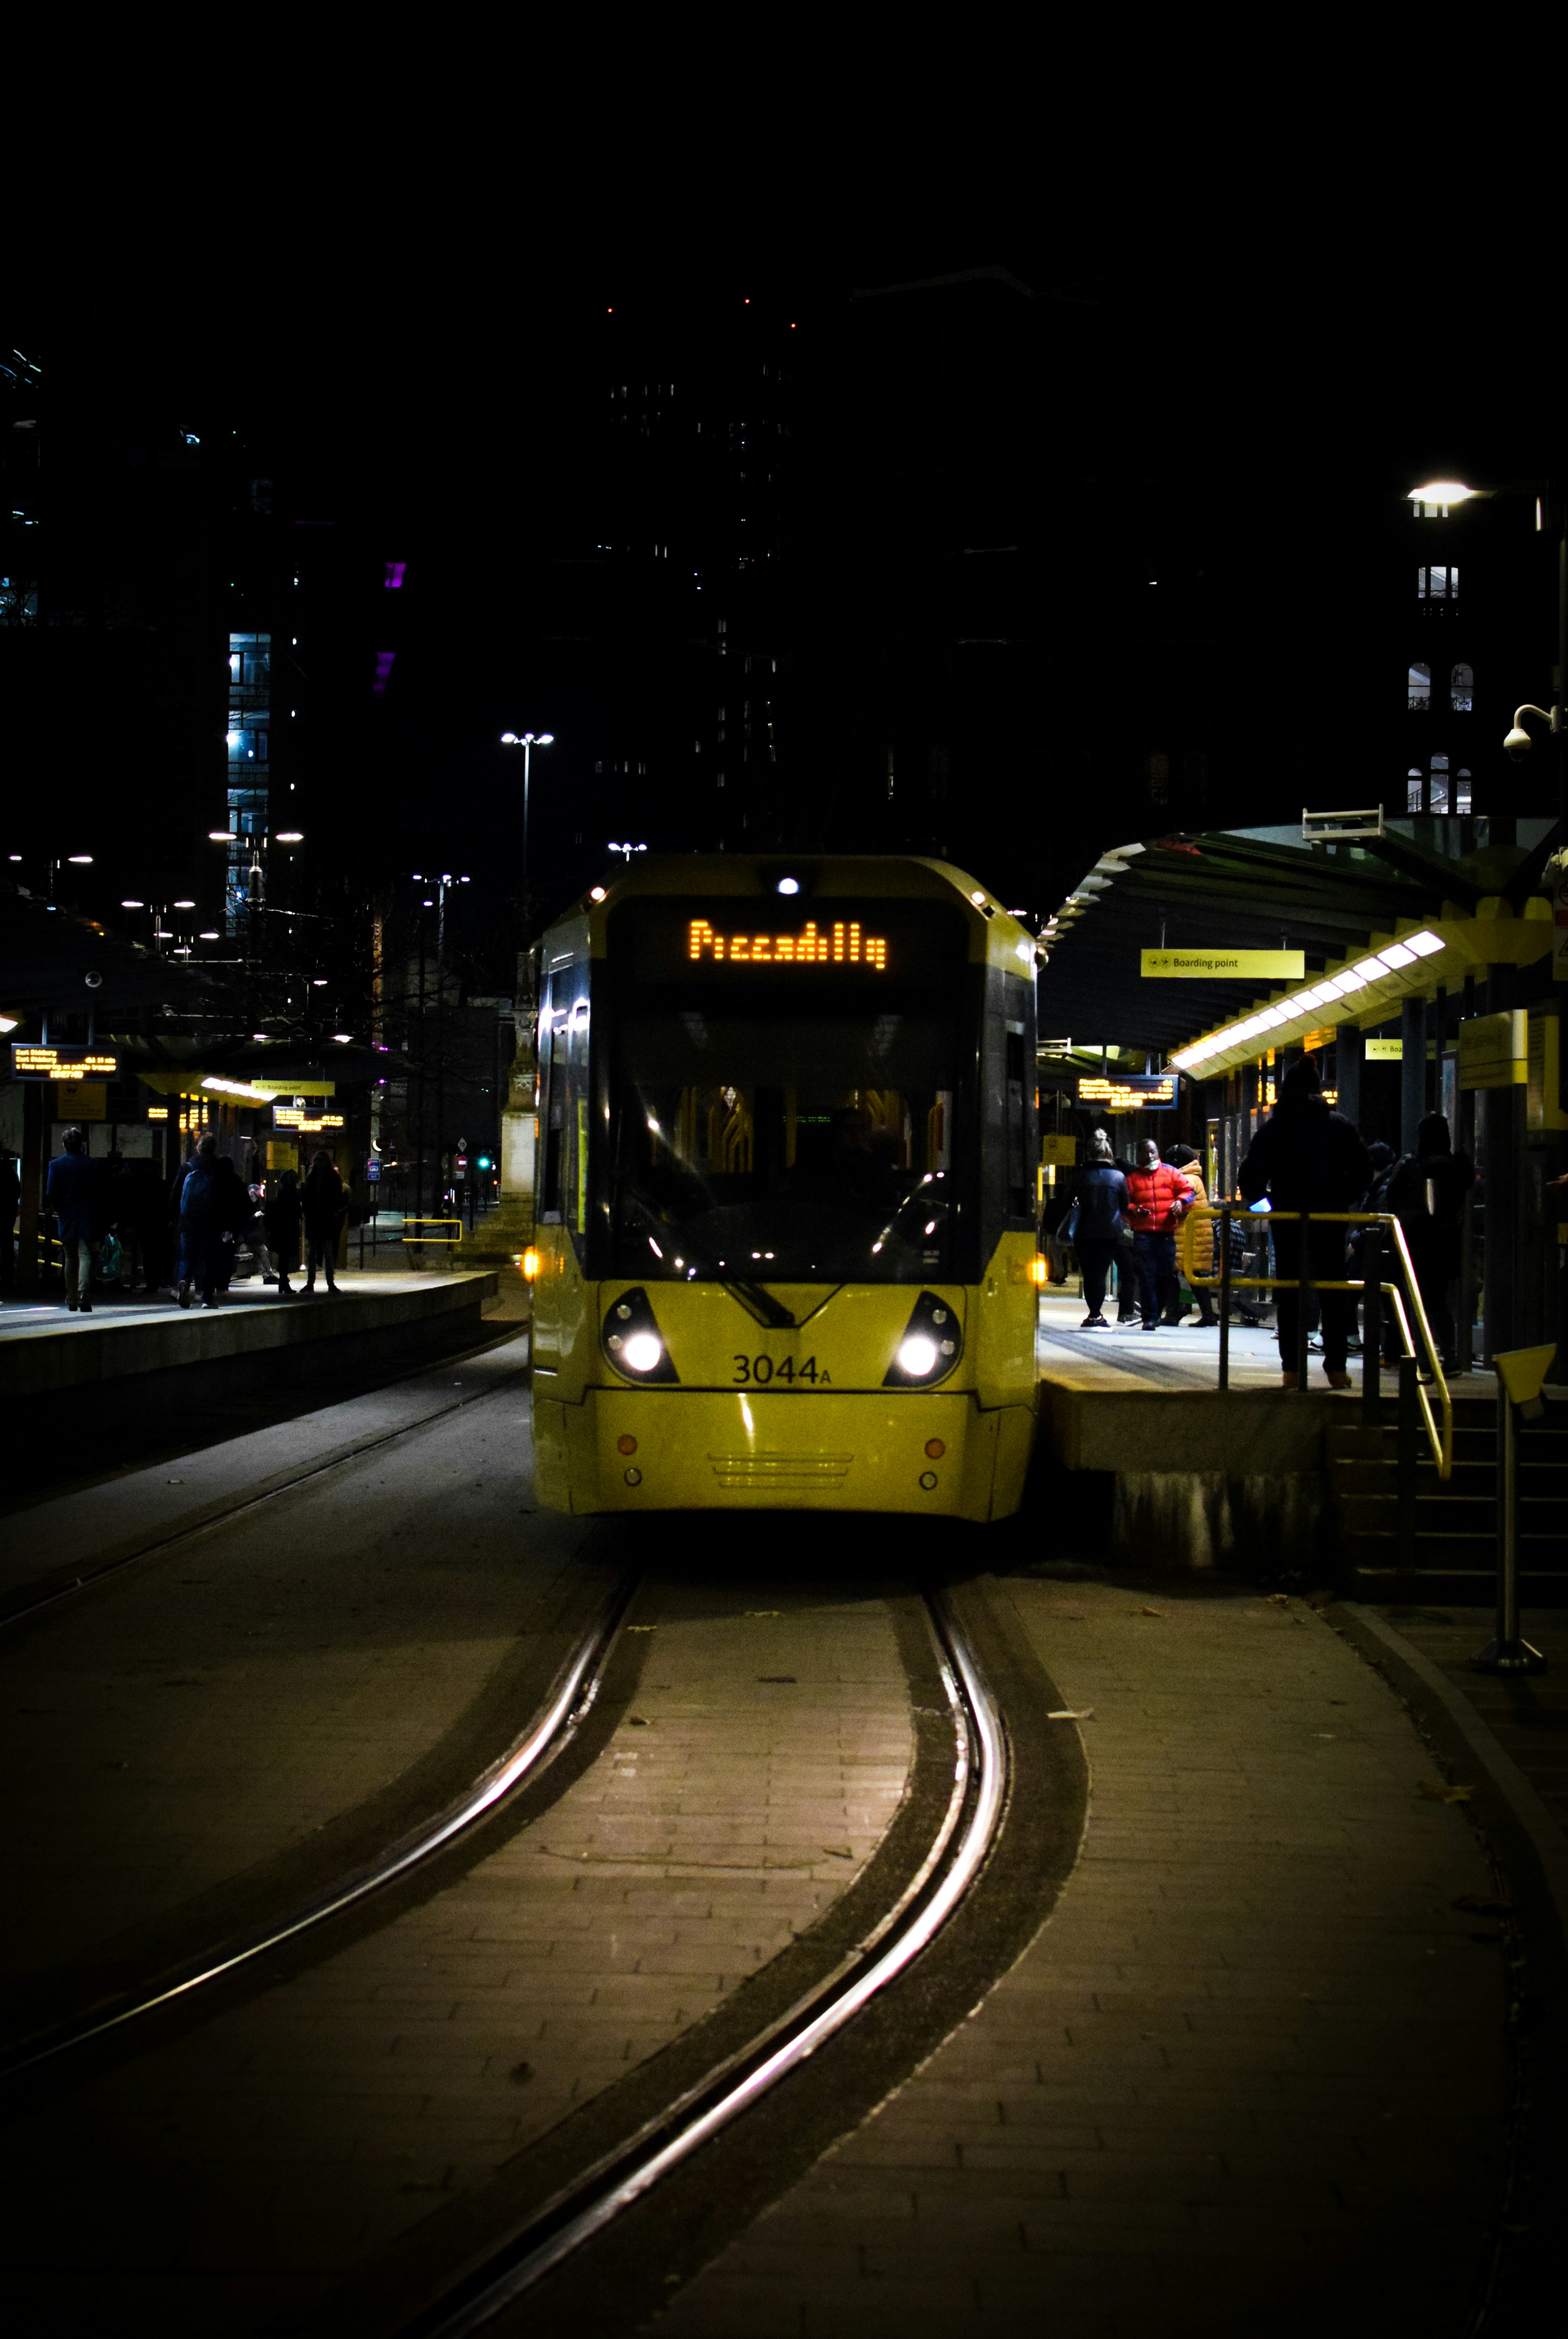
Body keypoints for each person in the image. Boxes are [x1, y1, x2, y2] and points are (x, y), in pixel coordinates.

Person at [1239, 1054, 1371, 1389]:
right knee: (1334, 1291)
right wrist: (1342, 1200)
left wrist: (1268, 1209)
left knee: (1290, 1293)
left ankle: (1292, 1370)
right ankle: (1337, 1368)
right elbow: (1364, 1172)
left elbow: (1250, 1179)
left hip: (1287, 1222)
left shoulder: (1275, 1128)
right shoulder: (1339, 1126)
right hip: (1330, 1219)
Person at [1385, 1112, 1475, 1369]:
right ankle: (1450, 1354)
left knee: (1417, 1301)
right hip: (1446, 1242)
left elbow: (1392, 1197)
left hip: (1416, 1242)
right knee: (1439, 1301)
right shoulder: (1457, 1168)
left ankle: (1423, 1356)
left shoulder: (1413, 1165)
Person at [1123, 1137, 1191, 1331]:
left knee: (1165, 1275)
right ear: (1139, 1156)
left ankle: (1157, 1310)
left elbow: (1188, 1192)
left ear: (1158, 1152)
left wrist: (1181, 1202)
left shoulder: (1171, 1173)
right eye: (1146, 1153)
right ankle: (1150, 1317)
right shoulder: (1133, 1179)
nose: (1150, 1156)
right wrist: (1134, 1210)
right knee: (1147, 1275)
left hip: (1166, 1233)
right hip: (1143, 1235)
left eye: (1152, 1152)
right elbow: (1124, 1204)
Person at [1068, 1127, 1130, 1328]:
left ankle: (1093, 1314)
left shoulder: (1078, 1175)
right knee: (1101, 1273)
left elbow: (1065, 1200)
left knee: (1089, 1272)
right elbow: (1124, 1206)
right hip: (1109, 1233)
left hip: (1083, 1232)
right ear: (1108, 1152)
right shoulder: (1118, 1177)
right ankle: (1097, 1314)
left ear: (1089, 1152)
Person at [45, 1127, 99, 1312]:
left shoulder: (56, 1165)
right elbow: (99, 1193)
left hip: (67, 1216)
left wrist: (60, 1208)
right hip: (87, 1216)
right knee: (85, 1255)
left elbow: (51, 1192)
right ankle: (84, 1293)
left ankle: (71, 1299)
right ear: (81, 1145)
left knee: (70, 1258)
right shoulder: (92, 1164)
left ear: (64, 1145)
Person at [1164, 1143, 1217, 1325]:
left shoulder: (1186, 1180)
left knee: (1176, 1274)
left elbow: (1180, 1204)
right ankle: (1203, 1313)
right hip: (1192, 1235)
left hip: (1189, 1235)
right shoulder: (1193, 1178)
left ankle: (1174, 1313)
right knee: (1191, 1275)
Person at [302, 1148, 347, 1293]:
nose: (319, 1164)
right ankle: (312, 1283)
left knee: (327, 1252)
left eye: (321, 1160)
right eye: (317, 1161)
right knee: (313, 1252)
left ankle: (329, 1283)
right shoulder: (314, 1177)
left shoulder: (329, 1178)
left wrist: (333, 1213)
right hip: (316, 1218)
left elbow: (338, 1198)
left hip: (325, 1218)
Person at [263, 1169, 303, 1298]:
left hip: (283, 1227)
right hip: (287, 1227)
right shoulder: (290, 1192)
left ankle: (283, 1283)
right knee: (285, 1256)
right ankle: (284, 1283)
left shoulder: (283, 1191)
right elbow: (294, 1210)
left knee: (284, 1257)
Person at [0, 1149, 20, 1293]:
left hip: (7, 1215)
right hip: (6, 1217)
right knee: (7, 1249)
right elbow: (16, 1191)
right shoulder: (9, 1171)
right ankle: (8, 1280)